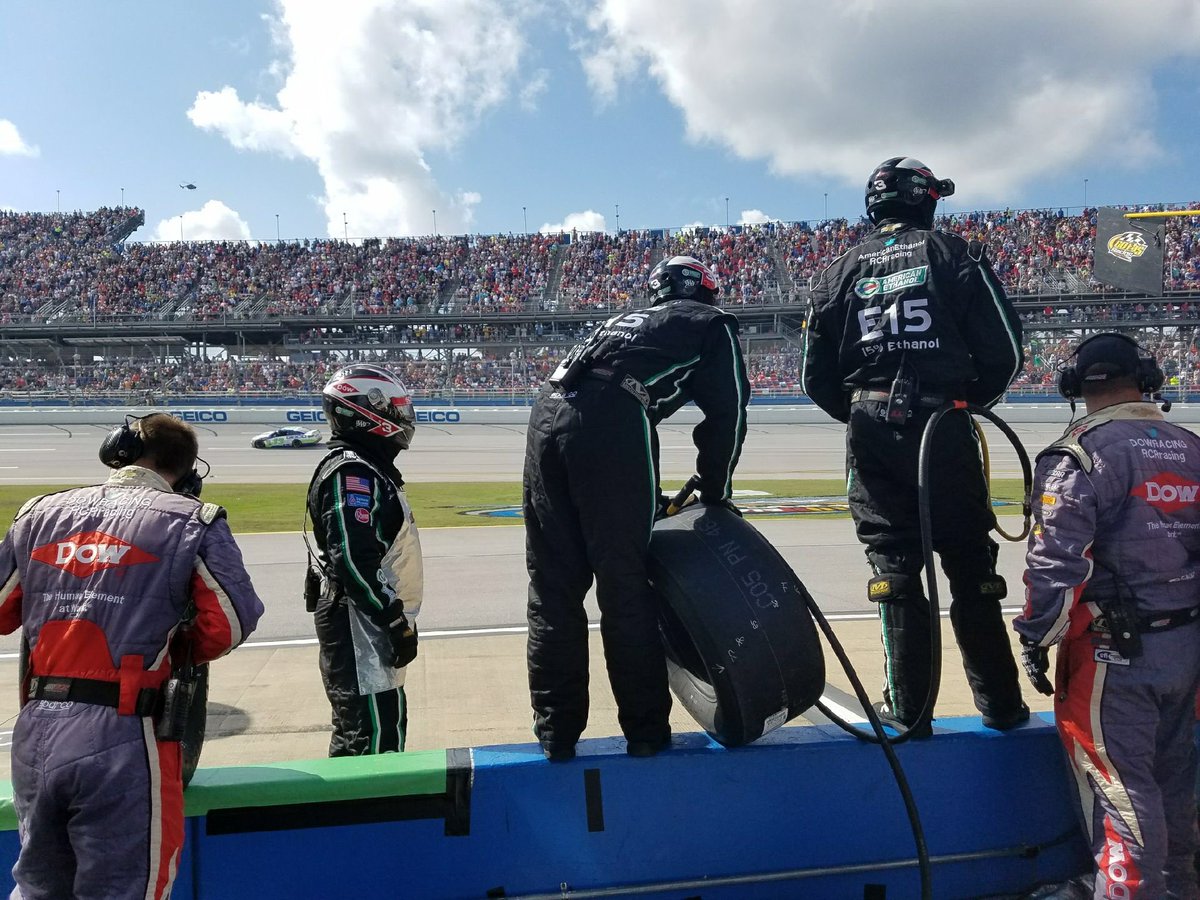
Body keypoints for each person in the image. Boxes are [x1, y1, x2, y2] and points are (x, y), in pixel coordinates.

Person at [802, 156, 1028, 736]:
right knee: (970, 562)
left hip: (870, 425)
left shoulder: (838, 270)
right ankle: (1001, 706)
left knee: (895, 565)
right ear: (926, 199)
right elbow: (1005, 351)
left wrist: (862, 413)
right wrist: (963, 403)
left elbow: (813, 378)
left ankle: (908, 712)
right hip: (943, 421)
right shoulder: (957, 253)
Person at [0, 412, 263, 900]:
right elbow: (230, 622)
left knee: (37, 887)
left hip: (36, 732)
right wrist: (169, 643)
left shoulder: (38, 513)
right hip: (125, 732)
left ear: (116, 453)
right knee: (127, 889)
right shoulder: (192, 520)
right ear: (186, 474)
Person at [524, 255, 750, 761]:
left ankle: (555, 735)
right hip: (611, 419)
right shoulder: (710, 323)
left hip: (545, 415)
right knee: (624, 586)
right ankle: (646, 734)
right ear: (707, 292)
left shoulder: (616, 324)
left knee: (552, 591)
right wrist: (715, 491)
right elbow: (729, 413)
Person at [1015, 333, 1200, 898]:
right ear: (1148, 379)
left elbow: (1055, 563)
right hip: (1186, 647)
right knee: (1174, 783)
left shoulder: (1081, 453)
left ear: (1074, 387)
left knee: (1119, 789)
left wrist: (1035, 637)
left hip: (1114, 654)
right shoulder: (1190, 447)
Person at [306, 363, 423, 756]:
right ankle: (358, 815)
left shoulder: (370, 469)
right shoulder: (352, 473)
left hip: (368, 623)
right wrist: (392, 618)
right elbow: (353, 559)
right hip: (360, 624)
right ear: (367, 410)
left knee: (383, 729)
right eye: (397, 407)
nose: (403, 416)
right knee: (368, 740)